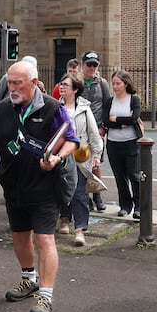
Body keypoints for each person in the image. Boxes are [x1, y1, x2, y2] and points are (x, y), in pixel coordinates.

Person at [0, 60, 79, 312]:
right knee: (20, 239)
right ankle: (29, 279)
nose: (11, 88)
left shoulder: (52, 108)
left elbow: (71, 140)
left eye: (17, 83)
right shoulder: (1, 108)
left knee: (45, 240)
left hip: (44, 188)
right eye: (9, 82)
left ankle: (45, 298)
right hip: (13, 186)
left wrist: (57, 158)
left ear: (34, 83)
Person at [56, 72, 103, 246]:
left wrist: (97, 156)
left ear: (75, 90)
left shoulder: (84, 108)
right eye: (61, 84)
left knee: (79, 192)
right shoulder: (55, 107)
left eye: (65, 85)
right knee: (62, 189)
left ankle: (80, 229)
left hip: (80, 156)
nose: (61, 87)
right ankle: (65, 219)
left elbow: (93, 133)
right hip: (61, 155)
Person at [103, 69, 143, 219]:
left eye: (118, 83)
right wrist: (121, 122)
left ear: (125, 84)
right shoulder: (109, 102)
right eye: (113, 83)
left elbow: (134, 119)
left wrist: (116, 119)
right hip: (113, 144)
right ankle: (125, 206)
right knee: (120, 177)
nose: (115, 86)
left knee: (134, 175)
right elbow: (105, 121)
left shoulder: (134, 100)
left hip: (131, 143)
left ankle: (138, 206)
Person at [80, 50, 111, 212]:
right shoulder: (76, 82)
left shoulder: (102, 83)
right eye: (89, 64)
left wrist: (104, 128)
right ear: (82, 65)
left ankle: (97, 195)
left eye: (94, 65)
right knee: (80, 165)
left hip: (97, 130)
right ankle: (84, 197)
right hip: (80, 130)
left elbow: (107, 105)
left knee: (95, 164)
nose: (91, 67)